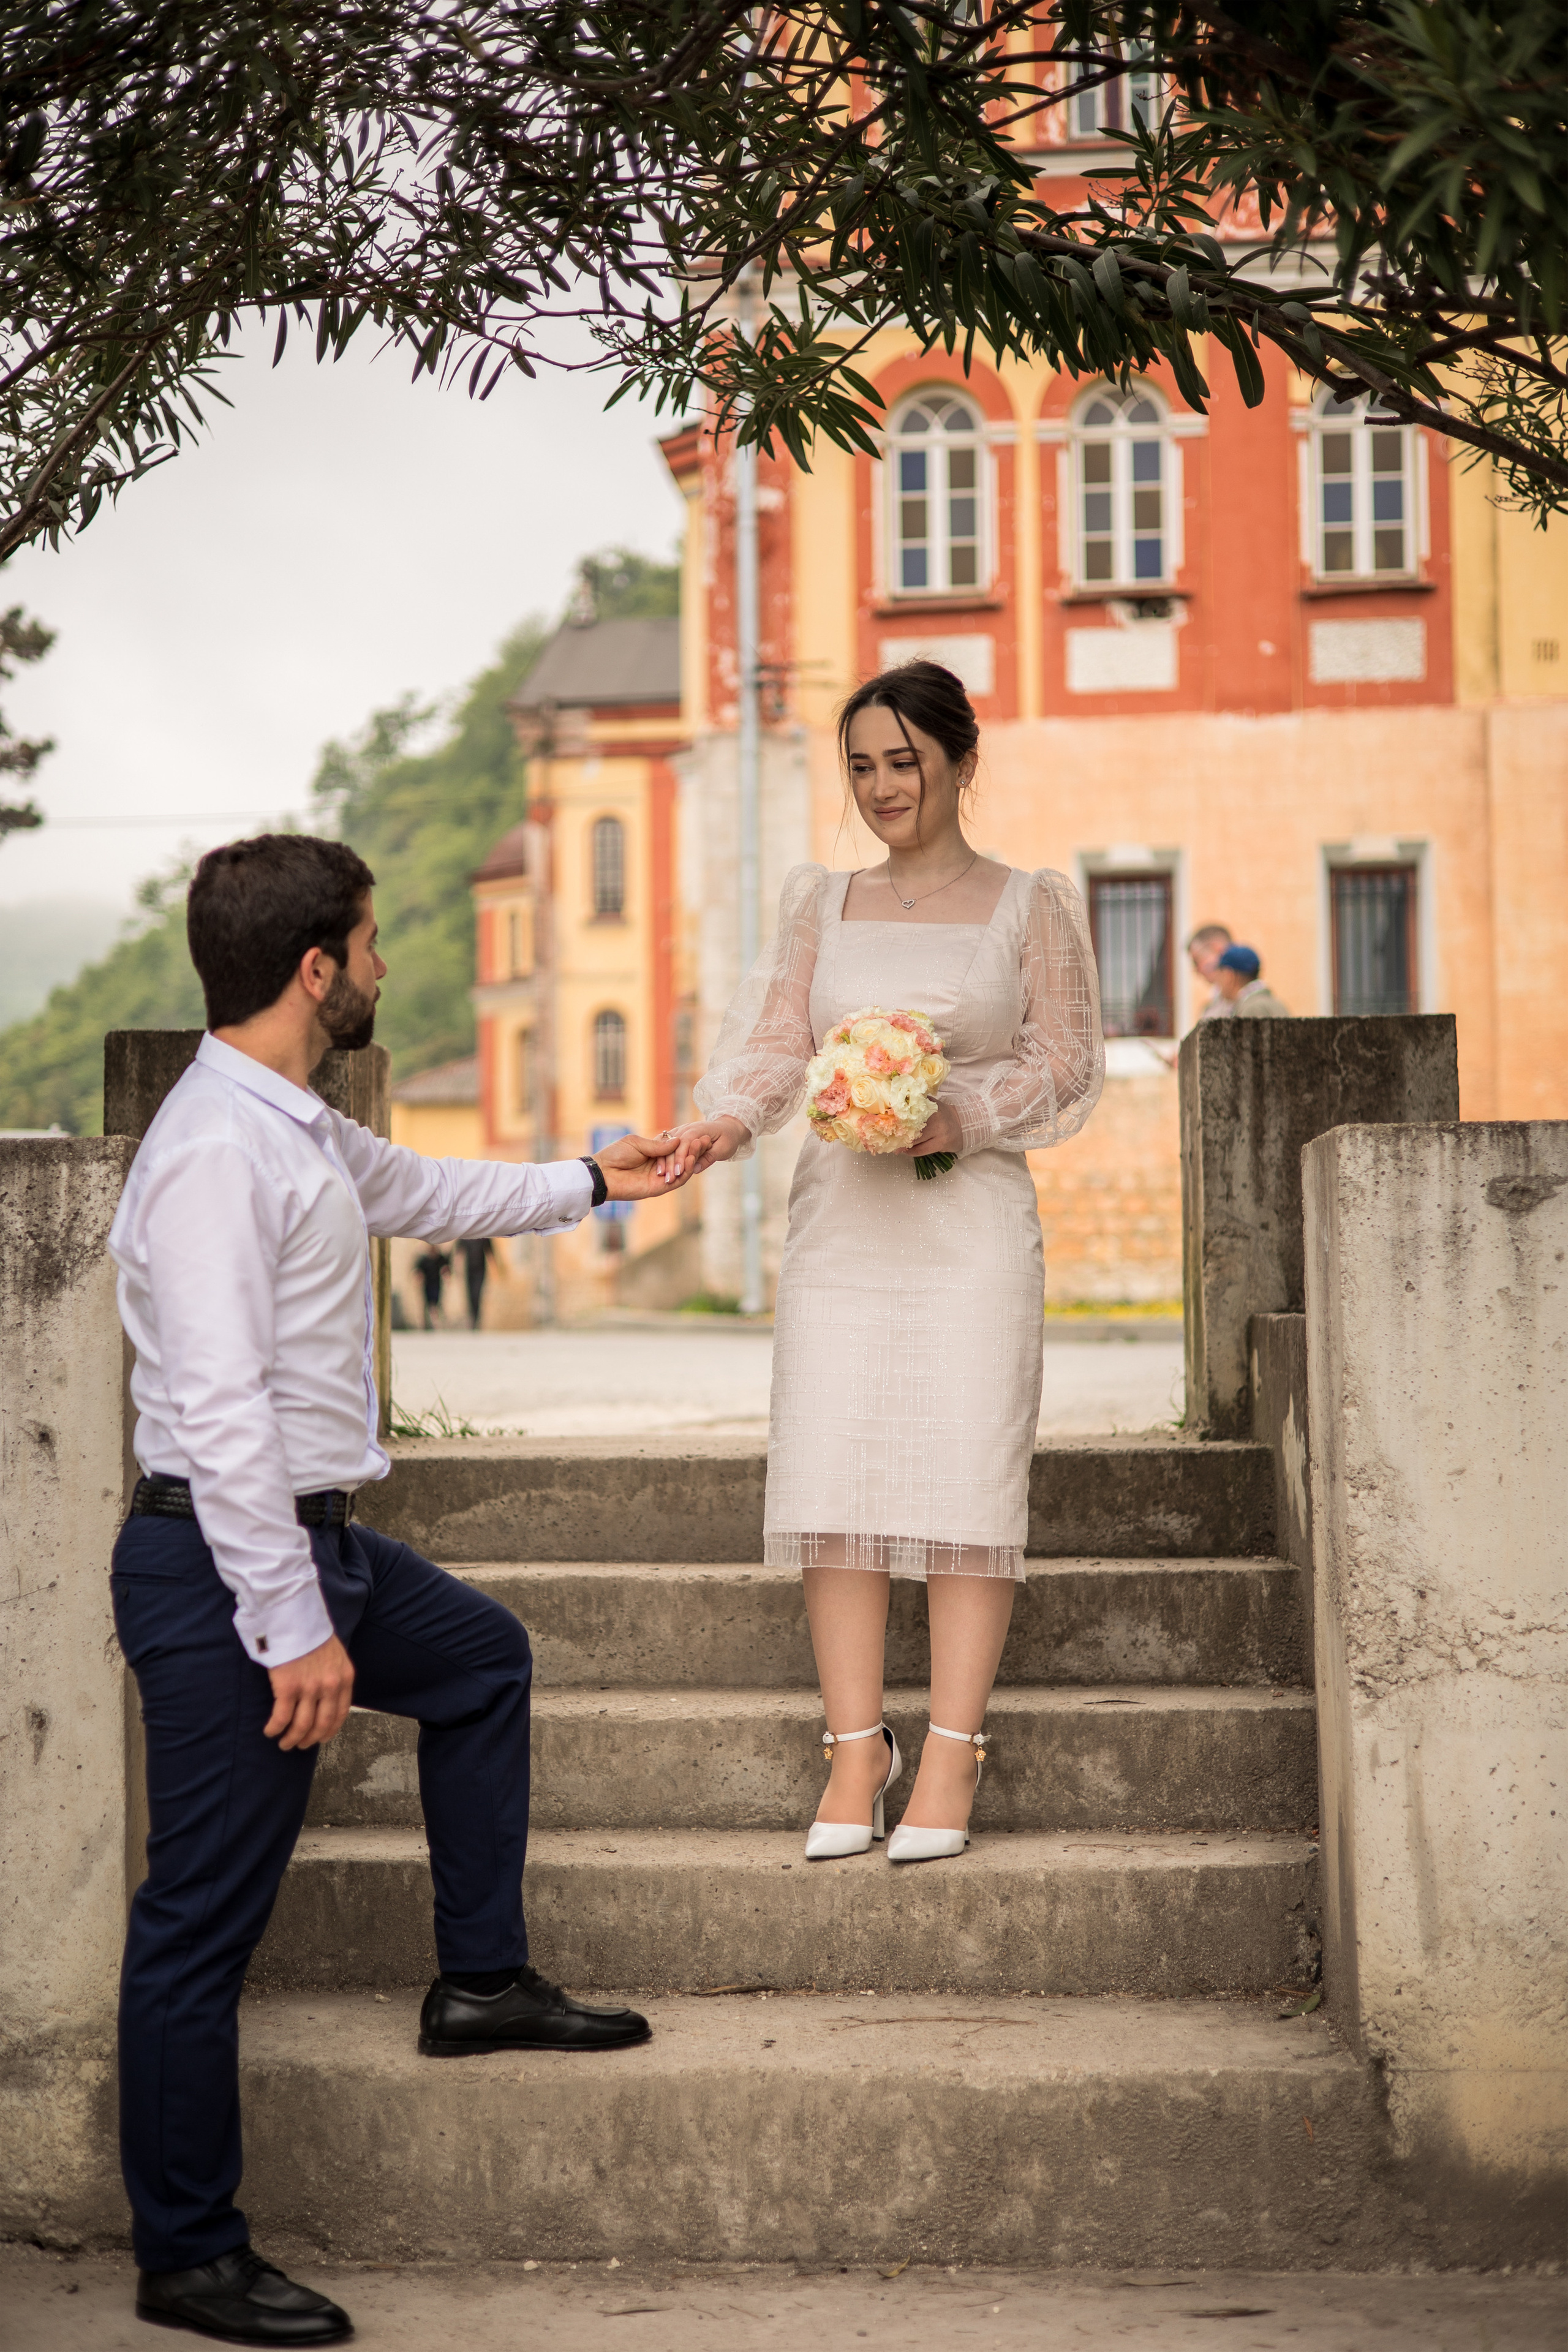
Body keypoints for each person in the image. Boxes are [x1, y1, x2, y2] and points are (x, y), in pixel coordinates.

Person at [108, 834, 703, 2346]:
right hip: (222, 1559)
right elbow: (220, 1407)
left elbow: (425, 1181)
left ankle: (480, 1979)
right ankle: (186, 2251)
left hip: (318, 1541)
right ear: (315, 969)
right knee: (199, 1919)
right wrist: (288, 1620)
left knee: (481, 1661)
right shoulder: (211, 1152)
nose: (385, 966)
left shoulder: (295, 1121)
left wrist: (592, 1177)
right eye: (371, 944)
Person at [663, 662, 1104, 1867]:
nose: (880, 787)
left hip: (966, 1234)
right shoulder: (821, 901)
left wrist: (957, 1110)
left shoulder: (1029, 905)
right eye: (860, 765)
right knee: (834, 1475)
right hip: (843, 1236)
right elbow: (773, 1046)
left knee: (965, 1479)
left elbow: (1064, 1059)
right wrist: (717, 1126)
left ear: (962, 761)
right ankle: (854, 1747)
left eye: (902, 761)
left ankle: (952, 1749)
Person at [1215, 942, 1290, 1017]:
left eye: (1220, 974)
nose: (1217, 981)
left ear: (1229, 976)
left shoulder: (1250, 1010)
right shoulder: (1276, 1003)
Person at [1186, 921, 1235, 1022]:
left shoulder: (1244, 998)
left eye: (1197, 961)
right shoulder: (1219, 998)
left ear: (1217, 949)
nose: (1197, 970)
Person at [459, 1234, 497, 1329]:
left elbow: (490, 1253)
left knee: (477, 1294)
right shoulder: (466, 1235)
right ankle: (472, 1317)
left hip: (480, 1271)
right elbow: (459, 1252)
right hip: (469, 1270)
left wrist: (496, 1269)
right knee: (470, 1295)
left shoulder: (485, 1236)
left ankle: (476, 1319)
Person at [413, 1241, 451, 1328]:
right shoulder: (424, 1259)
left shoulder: (440, 1258)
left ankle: (437, 1322)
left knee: (437, 1302)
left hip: (437, 1284)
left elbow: (446, 1269)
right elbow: (418, 1271)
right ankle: (426, 1323)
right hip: (427, 1285)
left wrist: (447, 1278)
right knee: (427, 1303)